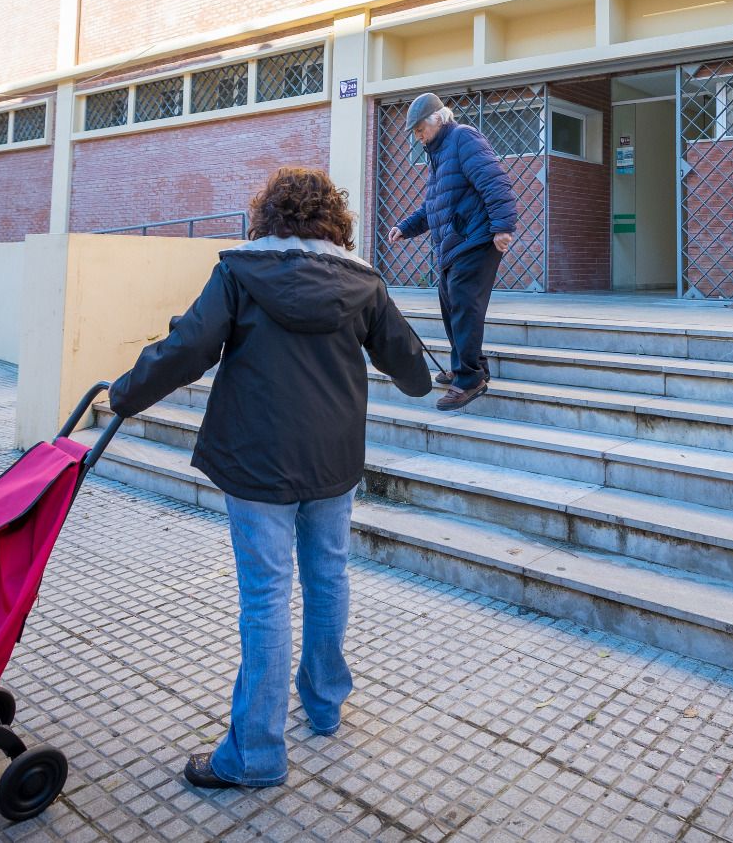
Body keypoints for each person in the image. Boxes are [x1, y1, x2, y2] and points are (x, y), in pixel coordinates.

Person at [105, 168, 432, 789]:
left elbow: (185, 349)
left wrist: (124, 395)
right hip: (333, 460)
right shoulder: (363, 282)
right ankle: (326, 702)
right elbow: (410, 365)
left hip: (256, 462)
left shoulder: (239, 272)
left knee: (266, 597)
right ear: (334, 221)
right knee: (328, 574)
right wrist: (431, 379)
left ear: (268, 217)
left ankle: (255, 753)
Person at [387, 92, 517, 411]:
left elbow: (495, 182)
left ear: (439, 119)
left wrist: (503, 227)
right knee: (452, 305)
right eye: (415, 133)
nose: (418, 137)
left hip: (476, 238)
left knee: (463, 304)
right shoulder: (440, 153)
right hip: (455, 243)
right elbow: (435, 204)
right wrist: (406, 227)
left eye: (420, 130)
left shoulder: (463, 138)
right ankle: (472, 367)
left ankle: (469, 379)